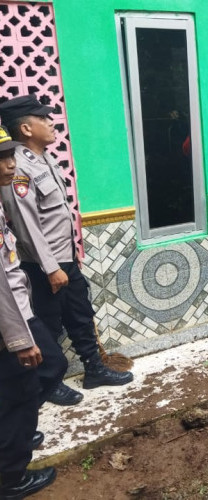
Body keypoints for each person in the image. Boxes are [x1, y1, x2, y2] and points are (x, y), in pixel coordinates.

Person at [0, 95, 133, 407]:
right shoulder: (17, 167)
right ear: (25, 127)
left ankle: (95, 369)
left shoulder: (44, 159)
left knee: (80, 314)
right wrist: (50, 267)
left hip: (64, 259)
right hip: (44, 265)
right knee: (48, 323)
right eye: (43, 118)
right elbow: (26, 224)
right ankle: (52, 383)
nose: (51, 122)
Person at [0, 125, 65, 499]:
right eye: (2, 160)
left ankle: (17, 433)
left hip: (17, 316)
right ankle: (12, 477)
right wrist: (19, 339)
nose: (11, 165)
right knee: (27, 384)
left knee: (21, 388)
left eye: (11, 156)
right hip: (13, 322)